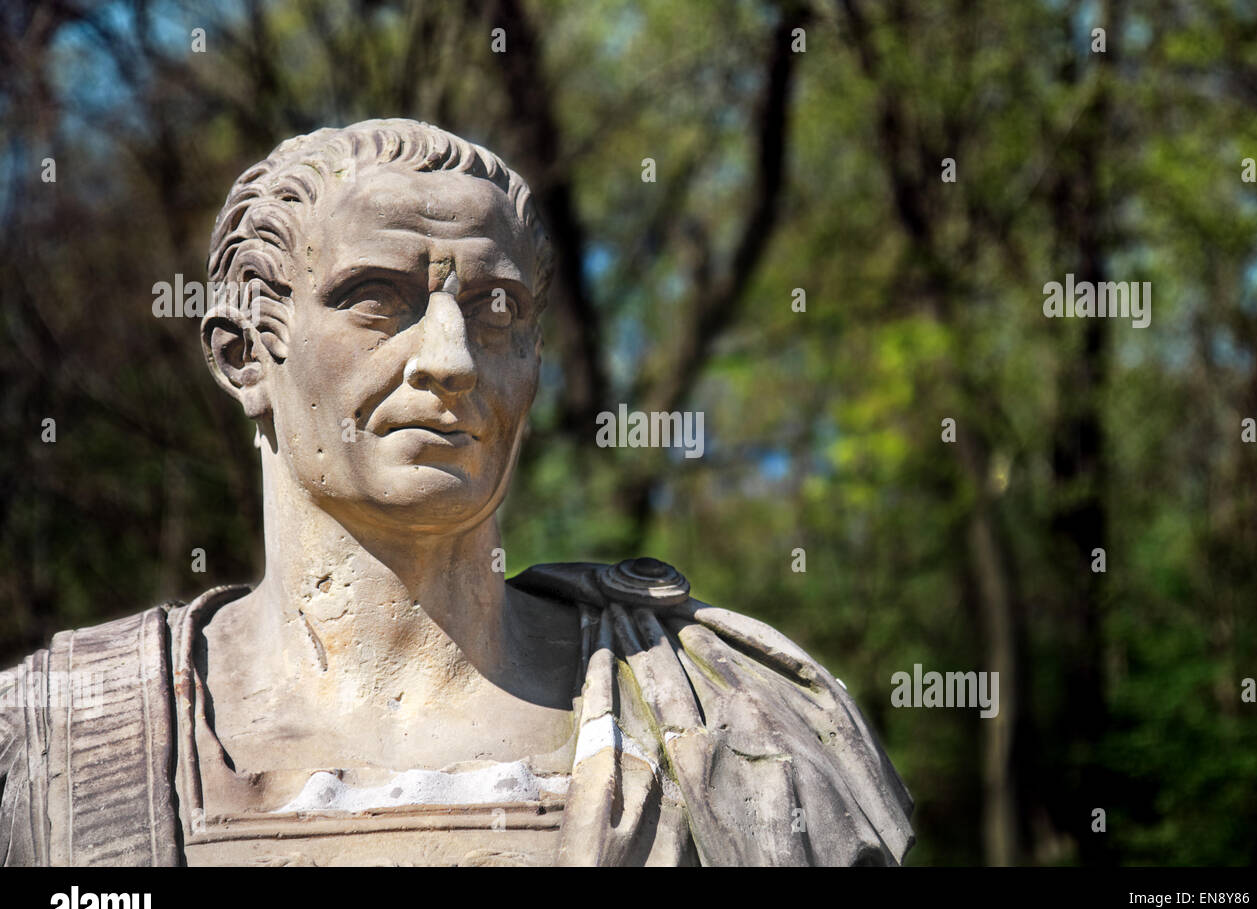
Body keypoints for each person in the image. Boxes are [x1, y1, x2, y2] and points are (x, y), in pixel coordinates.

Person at [0, 119, 913, 866]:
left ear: (536, 361)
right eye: (375, 299)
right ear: (244, 355)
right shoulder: (53, 746)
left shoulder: (738, 720)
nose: (450, 359)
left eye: (497, 308)